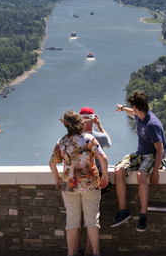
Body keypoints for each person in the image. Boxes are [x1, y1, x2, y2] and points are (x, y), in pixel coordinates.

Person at [49, 110, 109, 256]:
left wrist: (58, 179)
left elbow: (52, 164)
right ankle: (95, 253)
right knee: (92, 221)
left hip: (69, 187)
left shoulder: (61, 142)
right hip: (91, 185)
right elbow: (103, 159)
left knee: (72, 222)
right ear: (80, 123)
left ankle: (71, 253)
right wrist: (105, 176)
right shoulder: (89, 139)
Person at [111, 91, 166, 232]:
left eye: (132, 106)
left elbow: (160, 149)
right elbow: (132, 114)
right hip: (139, 154)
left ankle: (143, 216)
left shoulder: (152, 124)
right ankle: (123, 212)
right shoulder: (140, 116)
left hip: (152, 155)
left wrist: (155, 172)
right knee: (118, 171)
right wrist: (123, 108)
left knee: (141, 176)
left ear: (135, 106)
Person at [75, 107, 112, 256]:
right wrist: (99, 125)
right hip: (94, 181)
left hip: (76, 181)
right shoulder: (99, 137)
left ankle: (76, 249)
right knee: (92, 218)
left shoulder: (74, 137)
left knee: (77, 218)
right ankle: (90, 251)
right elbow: (108, 143)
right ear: (92, 119)